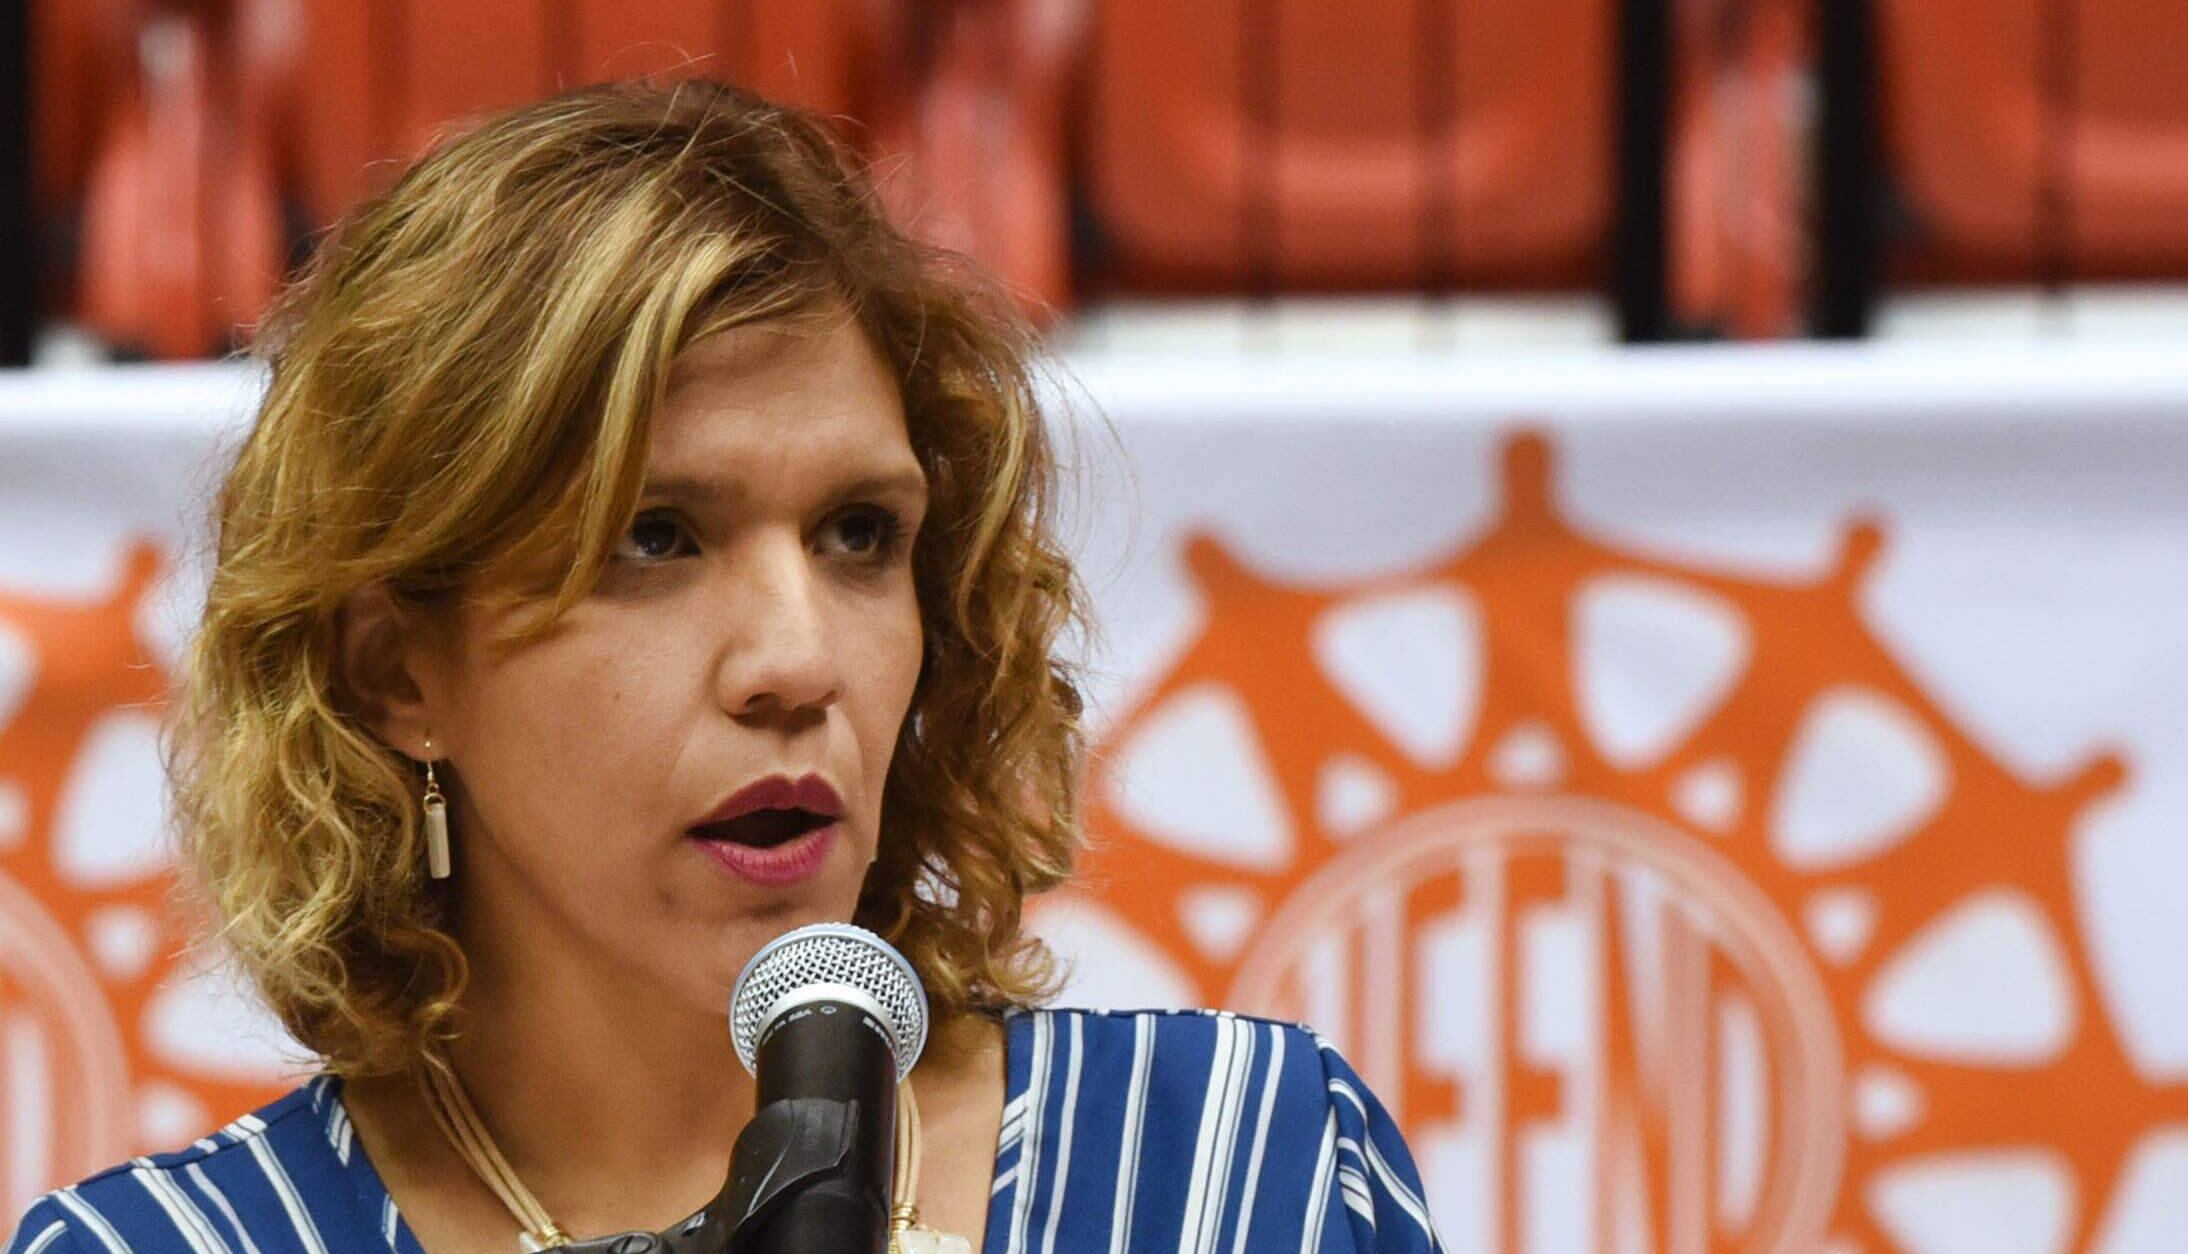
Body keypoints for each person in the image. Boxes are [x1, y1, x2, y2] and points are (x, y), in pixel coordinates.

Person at [4, 80, 1442, 1254]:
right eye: (655, 537)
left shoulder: (1243, 1166)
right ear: (396, 674)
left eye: (860, 534)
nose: (798, 661)